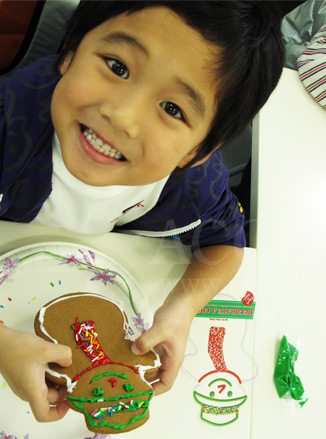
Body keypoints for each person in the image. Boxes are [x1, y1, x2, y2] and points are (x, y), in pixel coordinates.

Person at [0, 1, 284, 422]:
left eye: (172, 109)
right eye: (117, 66)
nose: (123, 117)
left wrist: (181, 308)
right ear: (70, 52)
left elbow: (226, 242)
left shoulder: (191, 181)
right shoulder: (9, 119)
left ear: (198, 151)